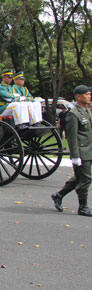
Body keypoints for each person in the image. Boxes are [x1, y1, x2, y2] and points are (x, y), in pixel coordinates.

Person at [51, 85, 92, 217]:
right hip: (81, 151)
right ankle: (83, 207)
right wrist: (75, 156)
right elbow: (72, 137)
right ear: (78, 97)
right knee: (85, 179)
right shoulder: (74, 114)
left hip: (89, 149)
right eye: (87, 94)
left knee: (79, 177)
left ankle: (58, 195)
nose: (89, 96)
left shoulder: (87, 111)